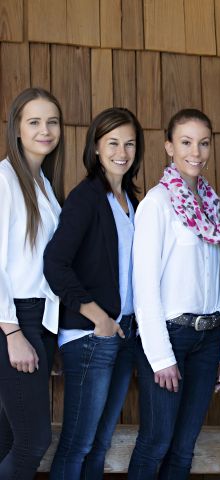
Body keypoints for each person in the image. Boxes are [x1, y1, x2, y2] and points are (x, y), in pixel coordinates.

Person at [128, 109, 220, 479]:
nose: (195, 152)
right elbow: (144, 286)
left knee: (185, 447)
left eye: (203, 143)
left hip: (209, 337)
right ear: (169, 146)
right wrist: (160, 357)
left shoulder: (213, 205)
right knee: (156, 442)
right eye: (186, 142)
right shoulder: (157, 204)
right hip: (170, 337)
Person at [44, 107, 144, 479]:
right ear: (97, 148)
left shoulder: (131, 201)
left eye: (130, 144)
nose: (122, 152)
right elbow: (55, 262)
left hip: (124, 333)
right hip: (91, 336)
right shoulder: (86, 197)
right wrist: (97, 317)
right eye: (113, 143)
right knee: (78, 445)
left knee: (100, 444)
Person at [0, 87, 65, 479]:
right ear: (17, 128)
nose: (45, 130)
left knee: (8, 439)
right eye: (35, 122)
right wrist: (12, 332)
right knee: (33, 441)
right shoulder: (4, 180)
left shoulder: (43, 184)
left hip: (39, 320)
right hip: (14, 319)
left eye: (52, 122)